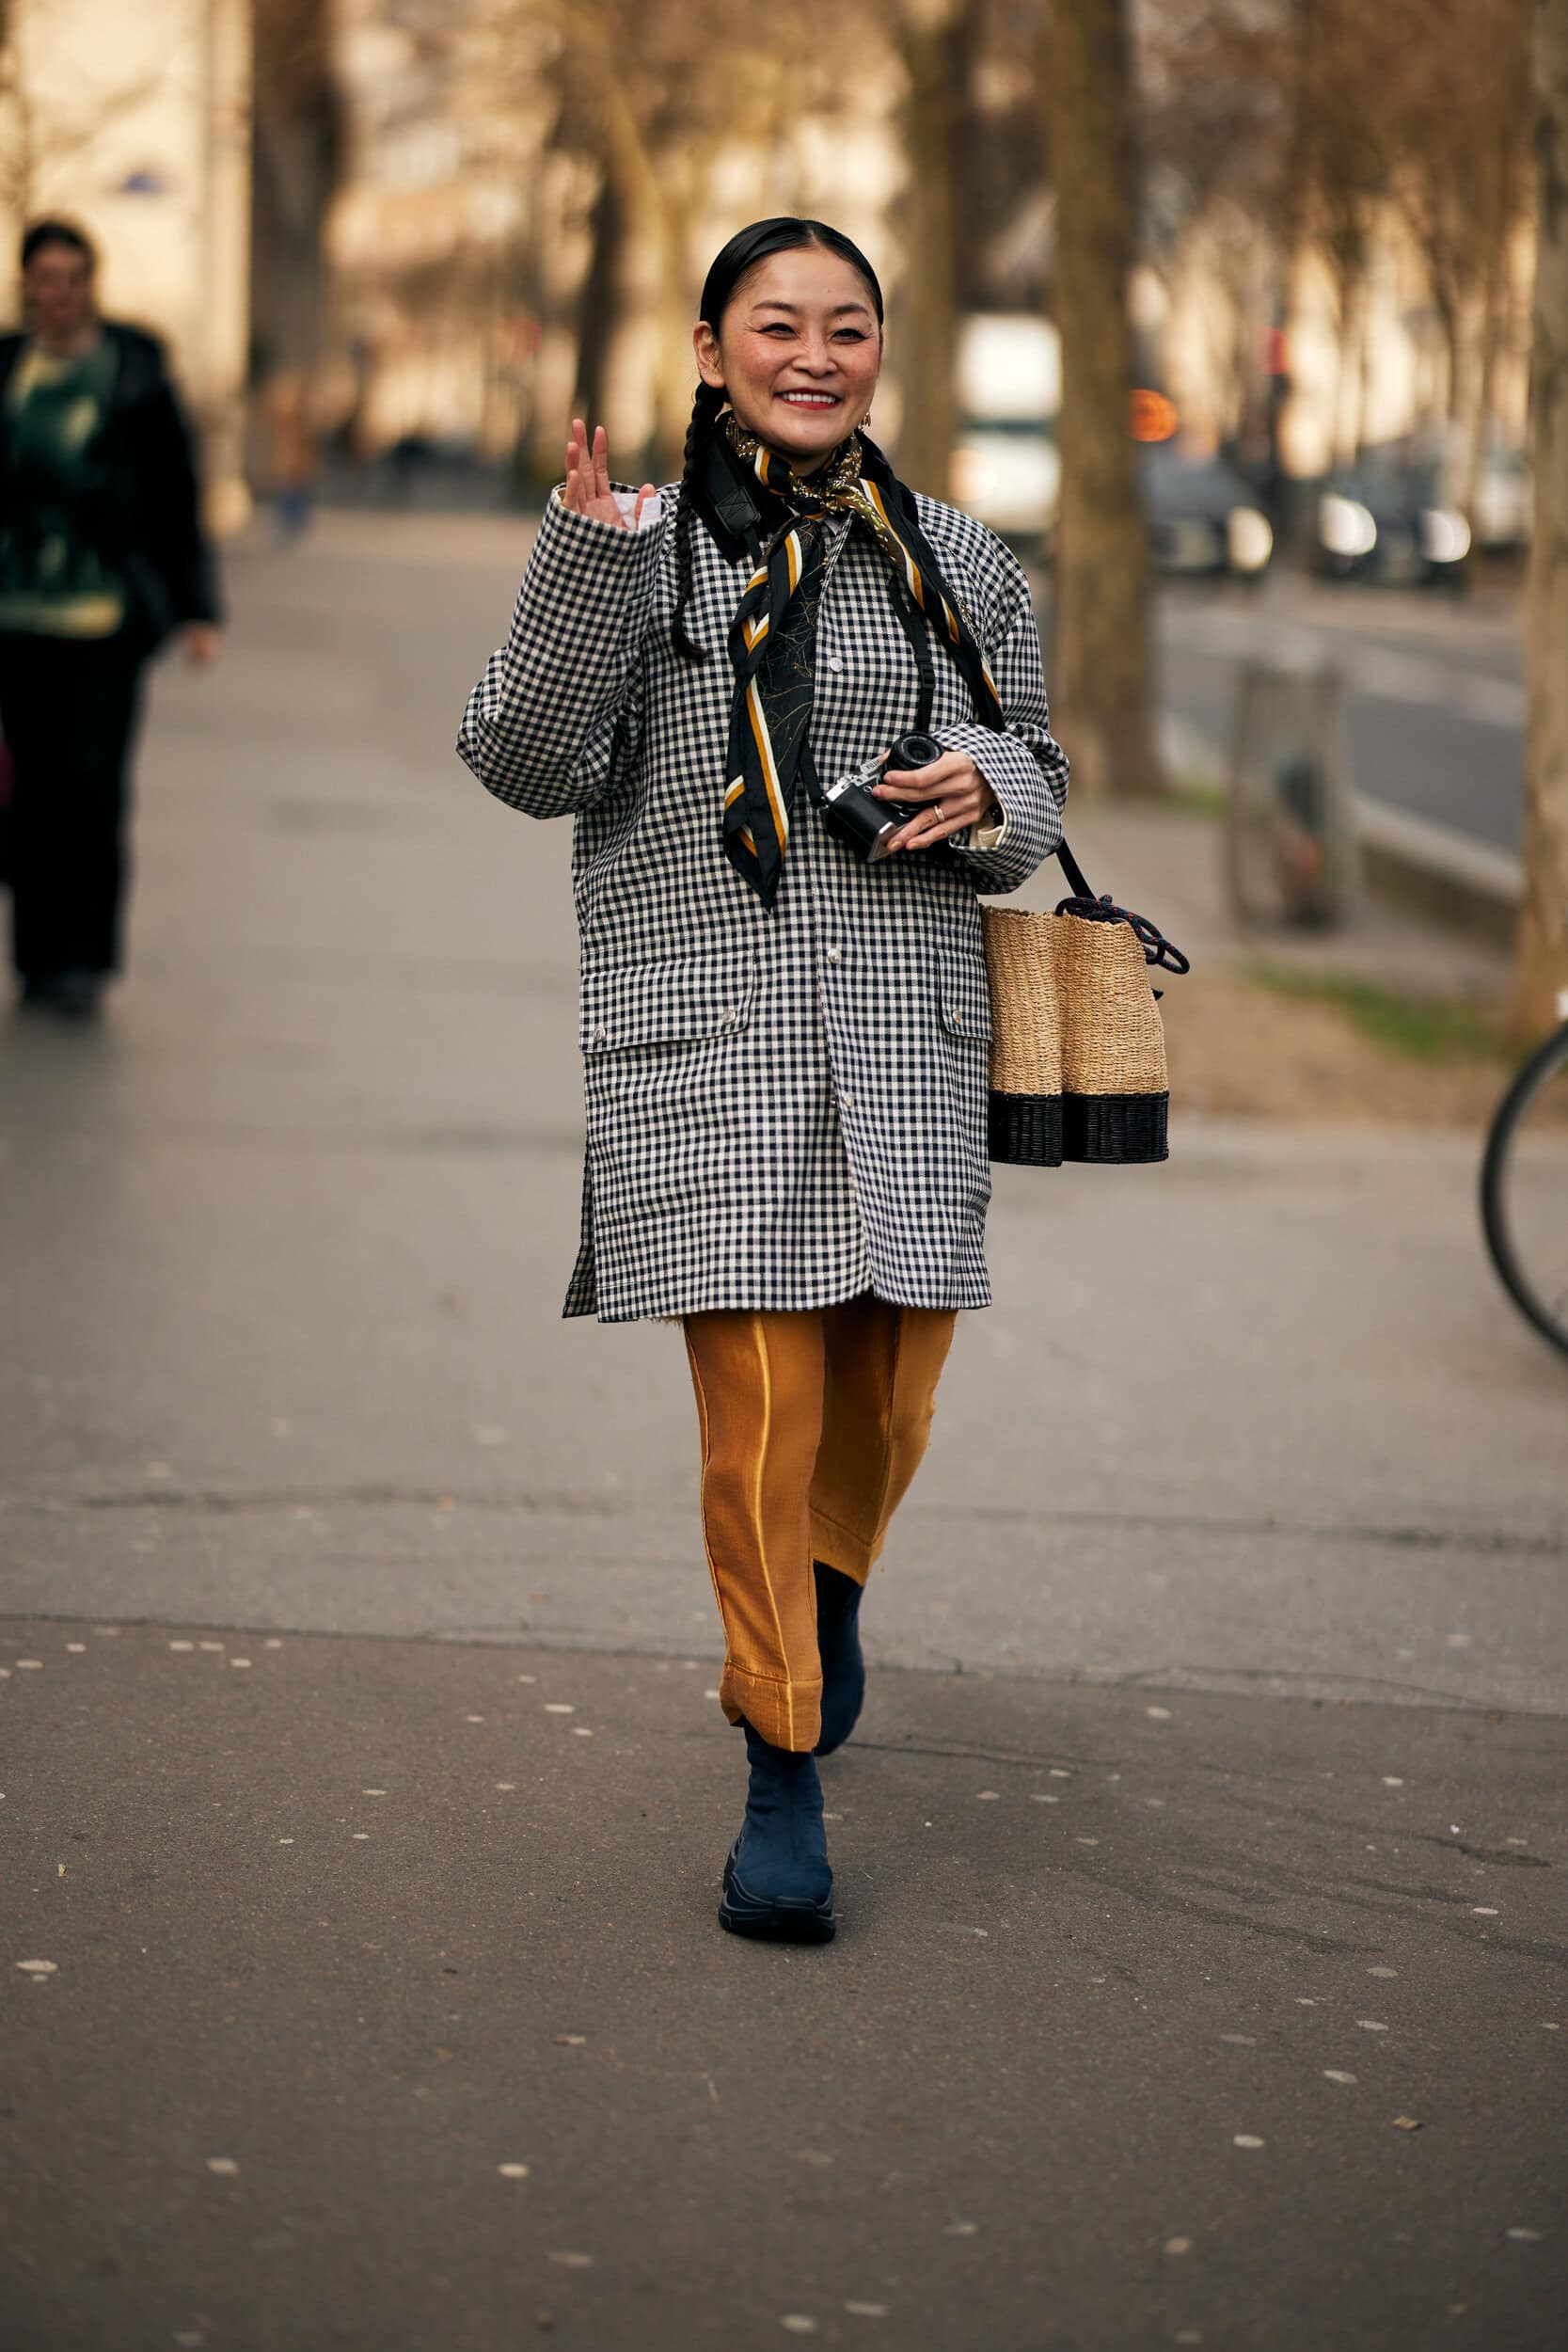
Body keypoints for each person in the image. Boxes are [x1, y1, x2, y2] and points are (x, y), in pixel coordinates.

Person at [458, 217, 1069, 1944]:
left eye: (848, 326)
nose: (816, 354)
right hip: (703, 1047)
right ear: (713, 344)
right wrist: (575, 566)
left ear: (882, 350)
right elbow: (522, 759)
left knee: (886, 1405)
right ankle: (777, 1754)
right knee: (760, 1420)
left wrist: (991, 790)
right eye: (777, 324)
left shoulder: (956, 558)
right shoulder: (629, 552)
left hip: (904, 1038)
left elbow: (1040, 768)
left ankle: (830, 1585)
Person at [0, 219, 222, 1019]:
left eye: (71, 278)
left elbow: (178, 495)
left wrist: (197, 608)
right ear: (26, 286)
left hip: (104, 621)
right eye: (43, 279)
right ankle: (36, 957)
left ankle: (85, 959)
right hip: (16, 618)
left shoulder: (132, 374)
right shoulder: (8, 369)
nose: (57, 294)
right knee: (29, 794)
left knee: (91, 786)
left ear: (92, 285)